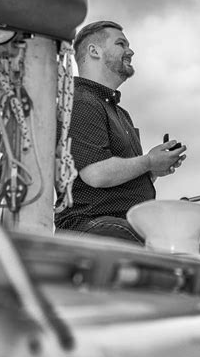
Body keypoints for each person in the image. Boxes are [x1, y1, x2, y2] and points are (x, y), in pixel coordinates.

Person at [55, 20, 186, 243]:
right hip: (93, 228)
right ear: (94, 51)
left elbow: (117, 181)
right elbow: (95, 174)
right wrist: (149, 162)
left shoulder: (120, 113)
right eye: (121, 44)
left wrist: (153, 169)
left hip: (117, 226)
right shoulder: (82, 101)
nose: (130, 51)